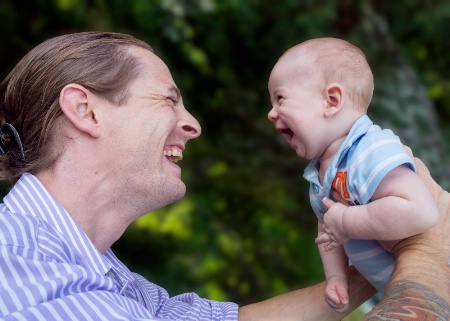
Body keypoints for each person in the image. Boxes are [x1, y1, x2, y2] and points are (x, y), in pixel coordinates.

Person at [0, 31, 447, 321]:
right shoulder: (24, 272)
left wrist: (375, 256)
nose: (192, 123)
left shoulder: (105, 277)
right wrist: (426, 251)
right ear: (85, 111)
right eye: (169, 100)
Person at [267, 37, 441, 312]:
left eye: (280, 99)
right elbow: (328, 228)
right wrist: (336, 277)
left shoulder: (369, 148)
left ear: (331, 101)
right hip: (416, 294)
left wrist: (347, 219)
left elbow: (422, 212)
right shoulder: (320, 173)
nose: (271, 114)